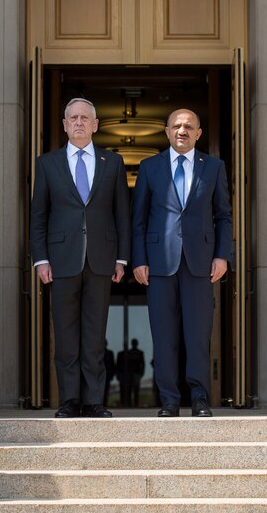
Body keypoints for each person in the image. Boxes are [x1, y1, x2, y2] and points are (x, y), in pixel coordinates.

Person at [30, 98, 130, 418]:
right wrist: (41, 258)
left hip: (101, 259)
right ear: (64, 124)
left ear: (95, 124)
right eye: (72, 117)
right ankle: (70, 400)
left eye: (85, 117)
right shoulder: (47, 164)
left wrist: (123, 258)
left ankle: (94, 401)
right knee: (66, 334)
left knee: (94, 334)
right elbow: (38, 215)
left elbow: (122, 214)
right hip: (61, 261)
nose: (78, 122)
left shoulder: (112, 163)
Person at [132, 109, 232, 417]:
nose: (182, 131)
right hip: (160, 263)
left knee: (198, 334)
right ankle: (169, 400)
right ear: (166, 131)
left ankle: (199, 398)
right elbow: (138, 219)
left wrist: (222, 255)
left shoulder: (213, 167)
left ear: (199, 133)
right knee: (164, 336)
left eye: (189, 126)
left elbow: (223, 216)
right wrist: (139, 259)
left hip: (200, 263)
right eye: (176, 126)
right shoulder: (149, 168)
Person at [117, 338, 145, 407]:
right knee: (130, 389)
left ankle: (134, 403)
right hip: (131, 374)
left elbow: (142, 364)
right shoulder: (132, 353)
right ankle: (130, 403)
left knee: (134, 389)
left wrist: (140, 373)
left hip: (135, 373)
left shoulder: (138, 353)